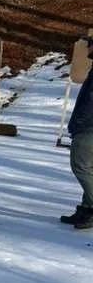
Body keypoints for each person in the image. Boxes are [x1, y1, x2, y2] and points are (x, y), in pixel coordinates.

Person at [61, 34, 93, 229]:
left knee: (80, 167)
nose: (87, 48)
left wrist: (78, 123)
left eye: (90, 45)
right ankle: (87, 209)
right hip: (88, 125)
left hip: (88, 127)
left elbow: (90, 103)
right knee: (88, 168)